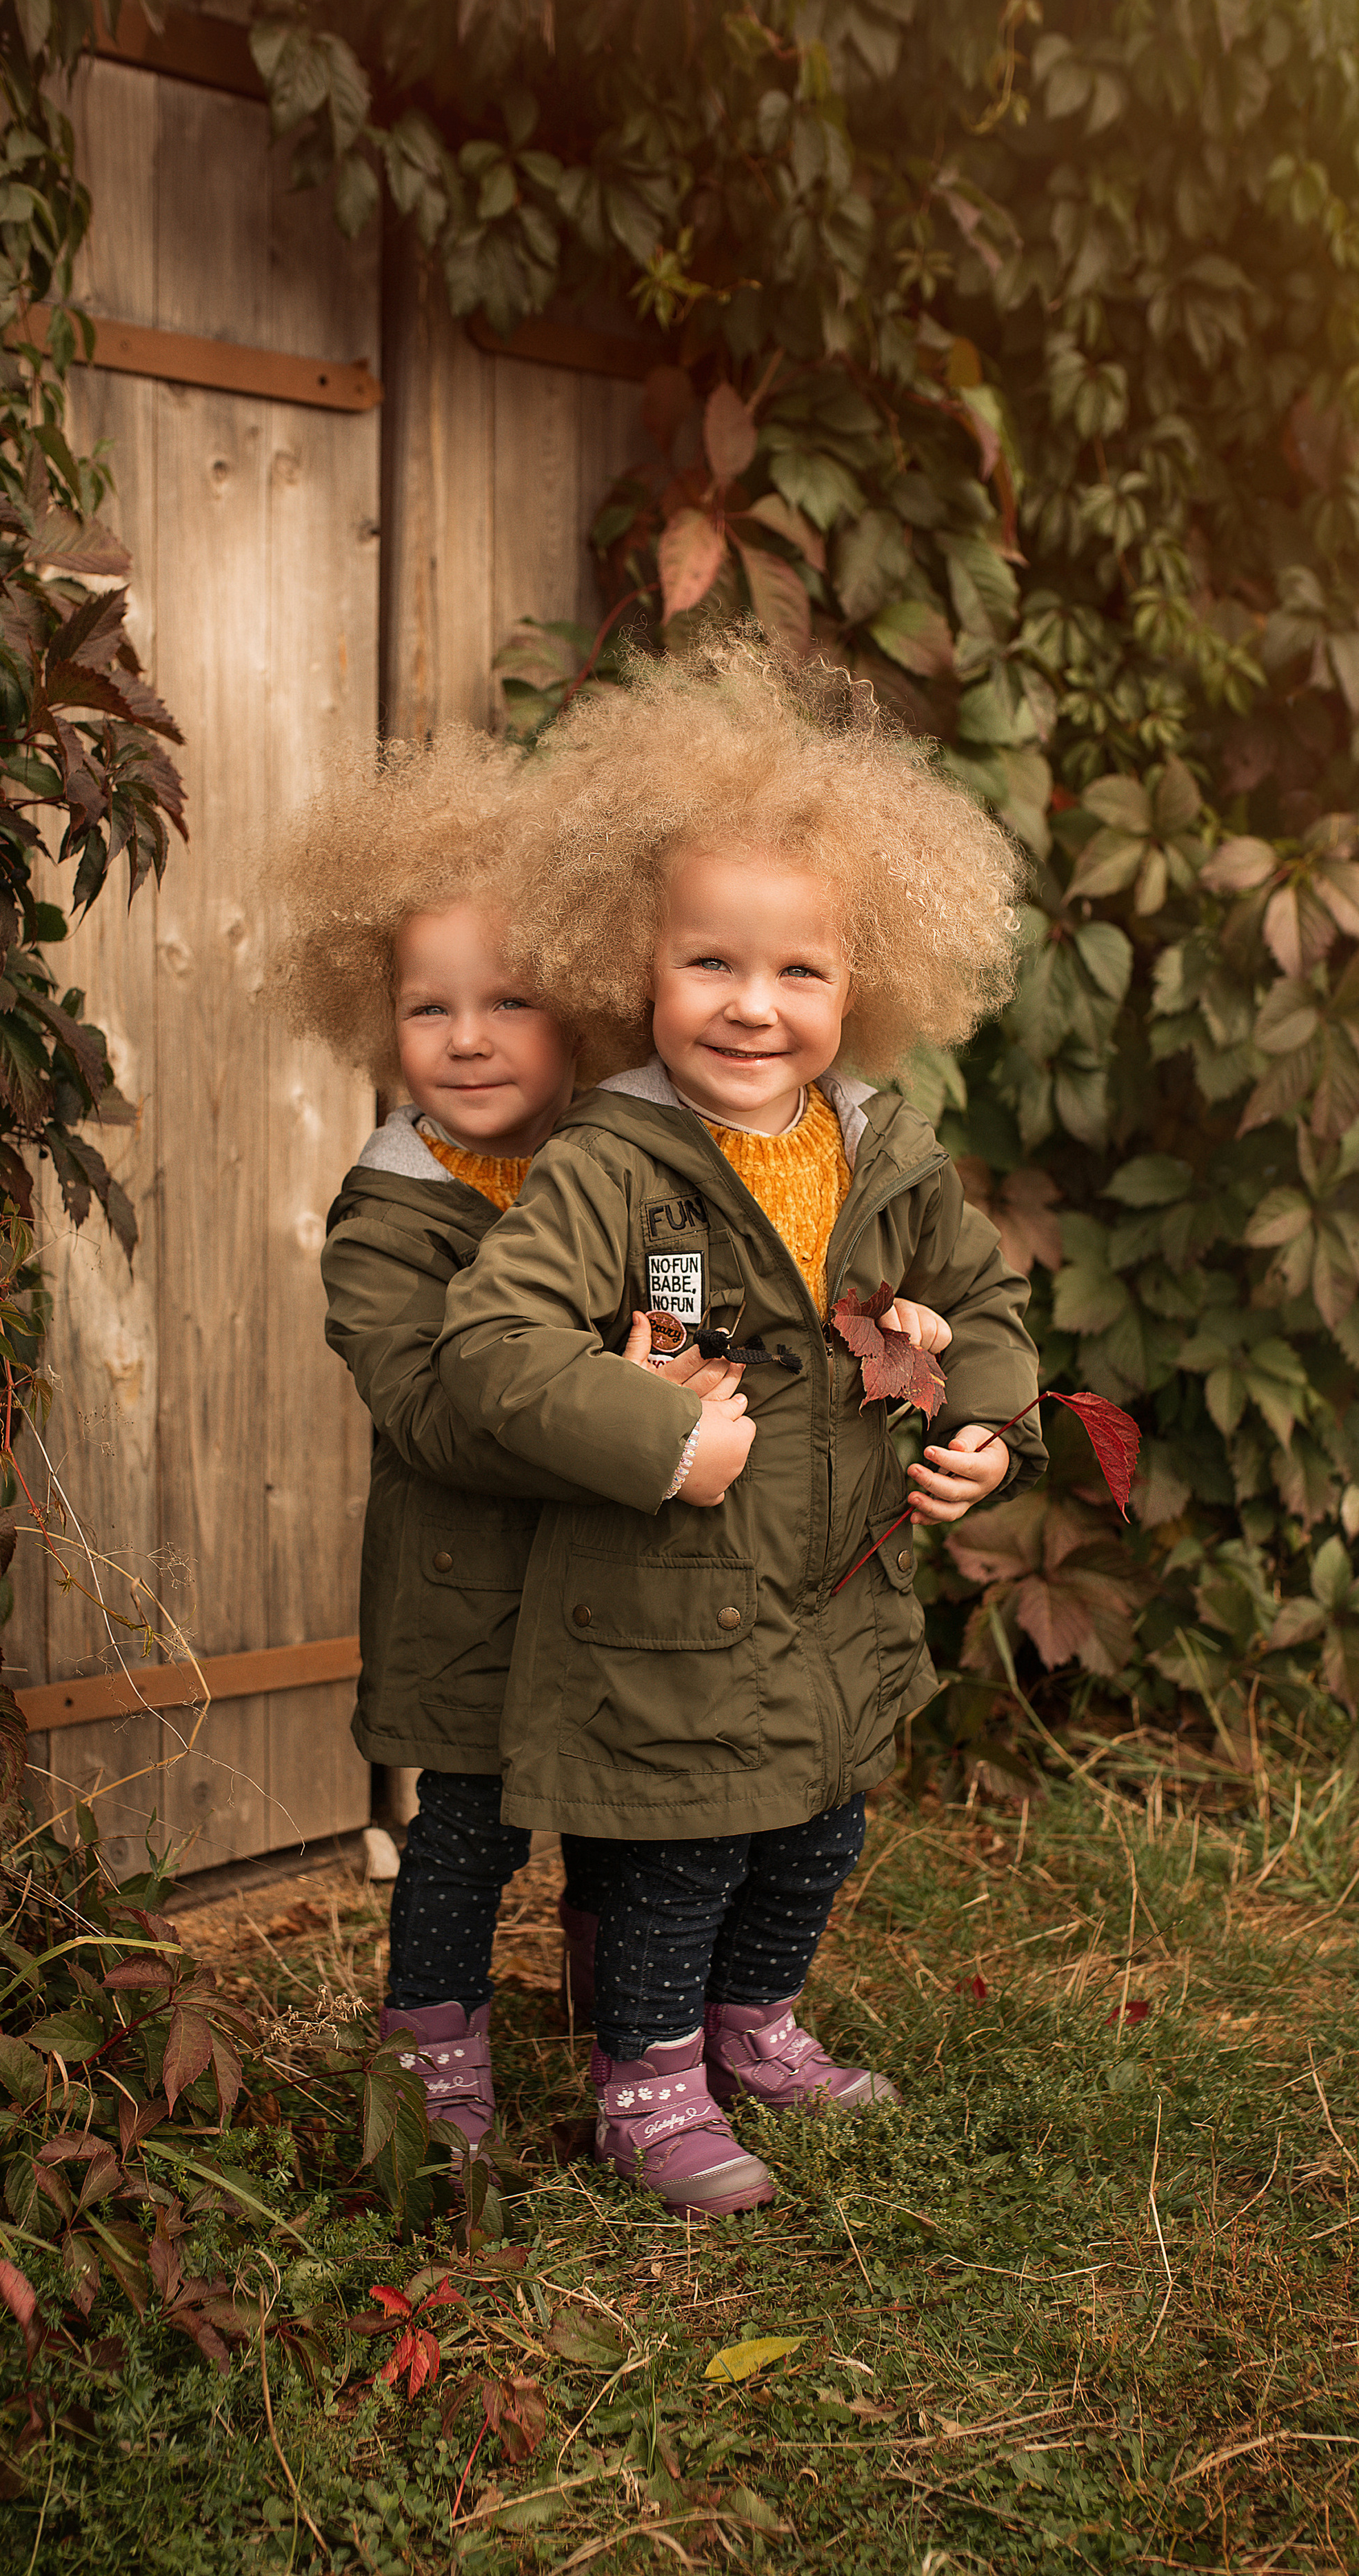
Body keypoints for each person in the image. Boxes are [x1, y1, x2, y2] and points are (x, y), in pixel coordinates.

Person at [433, 637, 1045, 2216]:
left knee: (812, 1836)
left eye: (799, 973)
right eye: (709, 963)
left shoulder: (884, 1155)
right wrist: (652, 1433)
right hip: (666, 1609)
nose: (752, 1007)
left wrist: (978, 1423)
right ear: (633, 965)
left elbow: (978, 1309)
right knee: (677, 1851)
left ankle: (751, 2025)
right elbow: (490, 1344)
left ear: (869, 982)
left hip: (833, 1598)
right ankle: (642, 2077)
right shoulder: (612, 1166)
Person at [273, 729, 734, 2161]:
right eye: (427, 1008)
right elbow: (431, 1410)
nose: (464, 1037)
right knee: (463, 1834)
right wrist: (632, 1429)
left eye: (509, 1000)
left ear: (585, 1010)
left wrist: (677, 1341)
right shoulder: (390, 1212)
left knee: (611, 1808)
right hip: (465, 1590)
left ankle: (623, 2026)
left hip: (605, 1582)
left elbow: (680, 1277)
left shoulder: (618, 1164)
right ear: (379, 1021)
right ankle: (431, 2055)